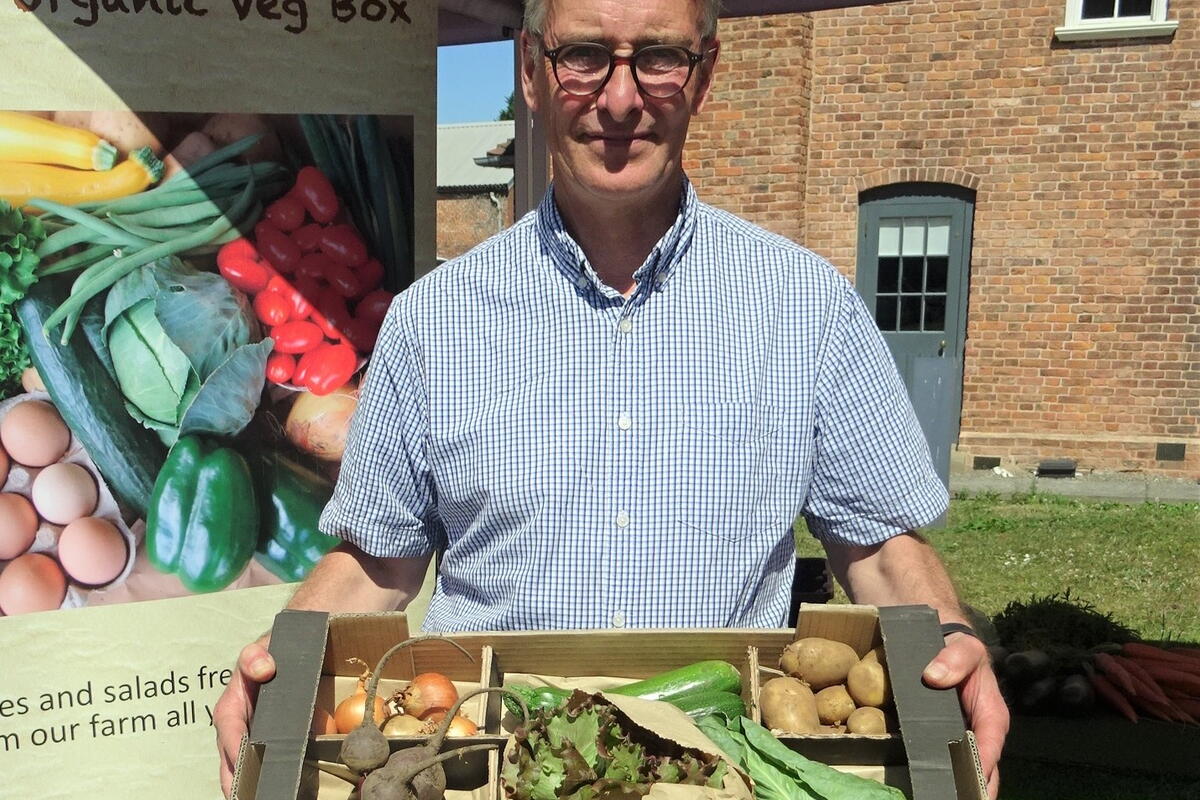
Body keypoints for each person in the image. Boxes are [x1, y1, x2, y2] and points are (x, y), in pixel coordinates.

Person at [214, 0, 1009, 796]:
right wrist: (286, 659)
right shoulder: (436, 319)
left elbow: (875, 543)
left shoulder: (805, 307)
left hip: (719, 772)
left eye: (658, 56)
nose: (621, 99)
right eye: (586, 54)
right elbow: (377, 557)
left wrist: (946, 639)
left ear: (705, 76)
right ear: (530, 71)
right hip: (493, 762)